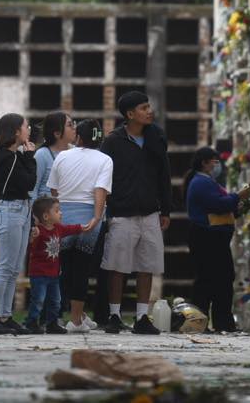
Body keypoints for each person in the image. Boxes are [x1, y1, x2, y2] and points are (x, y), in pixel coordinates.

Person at [99, 91, 172, 335]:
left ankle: (142, 317)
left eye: (149, 106)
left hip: (150, 212)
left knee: (147, 265)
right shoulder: (113, 142)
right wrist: (105, 210)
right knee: (118, 266)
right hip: (121, 212)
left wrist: (166, 209)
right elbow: (103, 177)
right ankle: (114, 315)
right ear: (130, 114)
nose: (149, 111)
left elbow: (164, 175)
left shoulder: (157, 137)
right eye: (143, 108)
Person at [46, 117, 112, 332]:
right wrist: (96, 217)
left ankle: (70, 316)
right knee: (83, 268)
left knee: (64, 267)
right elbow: (100, 191)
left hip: (64, 215)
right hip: (88, 216)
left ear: (79, 137)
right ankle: (76, 319)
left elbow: (53, 190)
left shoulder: (62, 156)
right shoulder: (105, 159)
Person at [184, 146, 250, 332]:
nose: (217, 165)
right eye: (215, 161)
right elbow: (217, 204)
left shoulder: (208, 182)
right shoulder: (200, 182)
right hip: (207, 238)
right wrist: (238, 196)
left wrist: (238, 205)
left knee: (220, 279)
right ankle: (205, 322)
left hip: (213, 238)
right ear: (204, 163)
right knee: (210, 280)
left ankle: (221, 322)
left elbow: (222, 206)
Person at [0, 112, 37, 335]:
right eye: (26, 127)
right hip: (10, 211)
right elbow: (28, 182)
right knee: (5, 266)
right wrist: (30, 157)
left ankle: (5, 316)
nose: (29, 130)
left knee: (15, 268)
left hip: (22, 211)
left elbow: (26, 186)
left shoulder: (15, 156)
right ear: (16, 131)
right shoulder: (5, 158)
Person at [22, 196, 96, 333]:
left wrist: (81, 227)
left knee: (55, 301)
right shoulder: (39, 231)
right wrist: (33, 237)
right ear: (46, 216)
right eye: (57, 211)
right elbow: (31, 247)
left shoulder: (58, 228)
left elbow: (69, 229)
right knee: (38, 300)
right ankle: (31, 322)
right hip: (39, 274)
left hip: (54, 275)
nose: (61, 213)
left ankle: (52, 323)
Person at [32, 112, 75, 199]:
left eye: (74, 124)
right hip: (47, 210)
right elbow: (33, 188)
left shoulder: (76, 151)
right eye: (70, 125)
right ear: (57, 133)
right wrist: (34, 211)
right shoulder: (42, 154)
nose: (74, 128)